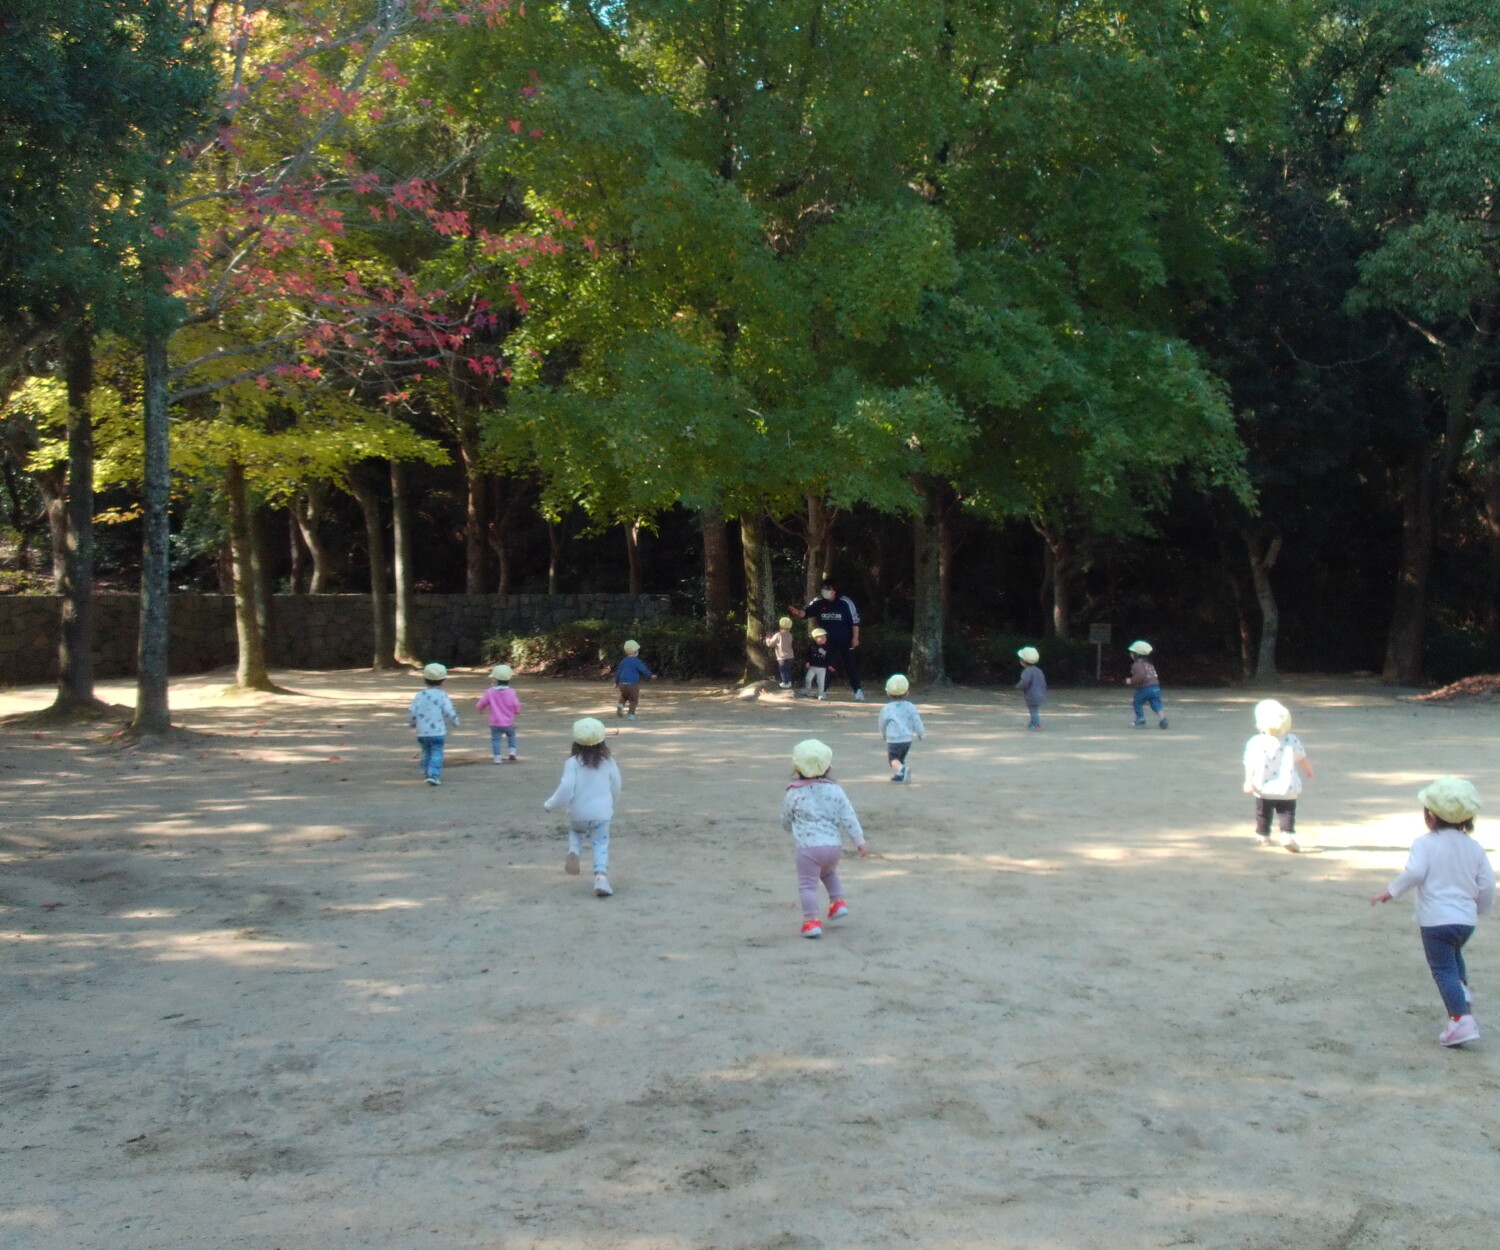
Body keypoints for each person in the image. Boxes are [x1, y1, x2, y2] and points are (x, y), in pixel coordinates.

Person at [1371, 777, 1496, 1047]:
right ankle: (1461, 991)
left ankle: (1460, 1020)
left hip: (1436, 921)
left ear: (1431, 815)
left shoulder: (1425, 844)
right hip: (1465, 921)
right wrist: (1480, 909)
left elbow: (1415, 872)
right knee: (1454, 957)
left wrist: (1391, 891)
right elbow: (1487, 883)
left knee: (1442, 969)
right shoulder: (1474, 847)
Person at [781, 739, 868, 938]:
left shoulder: (794, 792)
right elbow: (848, 816)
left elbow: (785, 817)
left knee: (807, 885)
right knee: (829, 873)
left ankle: (811, 921)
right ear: (828, 767)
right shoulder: (835, 790)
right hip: (833, 847)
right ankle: (838, 903)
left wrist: (788, 827)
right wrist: (859, 841)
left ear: (797, 768)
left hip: (808, 848)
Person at [543, 717, 623, 898]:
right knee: (600, 843)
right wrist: (612, 803)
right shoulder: (609, 762)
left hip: (578, 813)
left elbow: (566, 788)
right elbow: (616, 786)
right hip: (602, 813)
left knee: (576, 832)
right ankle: (601, 878)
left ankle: (573, 851)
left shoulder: (572, 763)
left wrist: (550, 804)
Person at [1242, 699, 1313, 850]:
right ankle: (1287, 835)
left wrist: (1248, 781)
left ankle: (1263, 836)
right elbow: (1301, 758)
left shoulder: (1255, 742)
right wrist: (1308, 770)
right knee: (1287, 812)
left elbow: (1249, 763)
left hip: (1263, 787)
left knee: (1263, 813)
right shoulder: (1291, 740)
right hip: (1287, 787)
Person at [789, 576, 863, 701]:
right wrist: (798, 613)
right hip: (827, 642)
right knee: (825, 666)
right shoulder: (819, 602)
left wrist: (855, 638)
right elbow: (806, 612)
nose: (825, 591)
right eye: (823, 588)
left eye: (828, 589)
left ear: (835, 590)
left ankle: (858, 690)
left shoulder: (845, 602)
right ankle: (823, 691)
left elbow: (855, 622)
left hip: (845, 640)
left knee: (850, 666)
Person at [408, 662, 459, 786]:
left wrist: (412, 722)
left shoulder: (419, 695)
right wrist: (455, 720)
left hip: (422, 731)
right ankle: (434, 775)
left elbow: (412, 710)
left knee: (426, 751)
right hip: (438, 731)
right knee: (436, 752)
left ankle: (426, 771)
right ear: (443, 682)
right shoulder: (442, 695)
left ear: (425, 680)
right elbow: (448, 710)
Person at [877, 673, 925, 783]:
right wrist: (920, 733)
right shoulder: (910, 706)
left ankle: (902, 769)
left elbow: (882, 723)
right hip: (907, 740)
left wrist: (883, 733)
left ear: (888, 693)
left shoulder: (887, 708)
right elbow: (916, 720)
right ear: (907, 692)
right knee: (901, 758)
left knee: (893, 759)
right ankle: (900, 775)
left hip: (894, 739)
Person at [476, 663, 522, 763]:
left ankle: (497, 758)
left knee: (496, 740)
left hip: (495, 722)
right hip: (508, 722)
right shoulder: (511, 692)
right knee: (511, 735)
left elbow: (482, 703)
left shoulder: (490, 692)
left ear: (495, 679)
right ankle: (512, 751)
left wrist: (480, 708)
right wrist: (517, 711)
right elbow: (516, 704)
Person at [1124, 639, 1168, 729]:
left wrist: (1131, 680)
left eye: (1132, 653)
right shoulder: (1149, 664)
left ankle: (1140, 718)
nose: (1130, 654)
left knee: (1137, 701)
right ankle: (1163, 719)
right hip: (1156, 687)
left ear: (1136, 655)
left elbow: (1141, 676)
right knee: (1156, 704)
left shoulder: (1137, 664)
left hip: (1145, 688)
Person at [614, 639, 655, 721]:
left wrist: (616, 682)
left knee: (624, 696)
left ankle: (620, 705)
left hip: (622, 683)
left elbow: (618, 672)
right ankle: (631, 714)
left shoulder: (623, 661)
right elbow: (643, 669)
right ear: (636, 652)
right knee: (633, 699)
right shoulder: (637, 661)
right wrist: (651, 675)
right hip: (632, 684)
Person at [1015, 646, 1047, 731]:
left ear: (1023, 662)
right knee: (1034, 709)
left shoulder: (1027, 671)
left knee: (1033, 710)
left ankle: (1036, 725)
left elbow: (1025, 682)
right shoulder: (1038, 670)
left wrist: (1018, 686)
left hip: (1032, 694)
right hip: (1040, 693)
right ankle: (1033, 723)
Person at [765, 617, 796, 688]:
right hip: (790, 656)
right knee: (788, 670)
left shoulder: (778, 635)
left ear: (780, 626)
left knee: (783, 670)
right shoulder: (790, 635)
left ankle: (785, 682)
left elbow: (770, 644)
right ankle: (789, 682)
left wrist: (768, 639)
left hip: (782, 656)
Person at [804, 628, 832, 700]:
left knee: (821, 682)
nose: (824, 638)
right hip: (812, 667)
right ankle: (807, 690)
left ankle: (821, 694)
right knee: (808, 679)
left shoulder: (827, 647)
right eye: (822, 637)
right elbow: (808, 655)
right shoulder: (812, 646)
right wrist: (807, 662)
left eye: (825, 637)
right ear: (815, 638)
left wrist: (829, 665)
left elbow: (829, 657)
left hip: (822, 668)